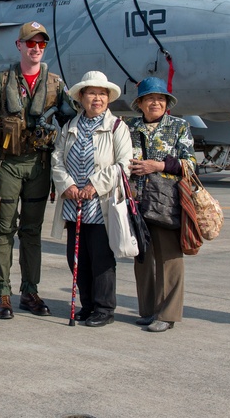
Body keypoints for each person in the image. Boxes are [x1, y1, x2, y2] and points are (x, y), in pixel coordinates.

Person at [0, 21, 68, 320]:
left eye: (41, 44)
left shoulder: (56, 84)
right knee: (3, 231)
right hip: (8, 165)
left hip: (39, 166)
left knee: (31, 232)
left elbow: (70, 122)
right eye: (30, 43)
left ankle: (30, 290)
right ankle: (2, 292)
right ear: (19, 46)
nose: (36, 48)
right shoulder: (1, 81)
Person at [50, 71, 132, 327]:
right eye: (92, 93)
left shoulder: (117, 126)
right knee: (77, 259)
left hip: (101, 205)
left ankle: (104, 308)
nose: (97, 98)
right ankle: (86, 305)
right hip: (74, 204)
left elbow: (124, 165)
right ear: (82, 97)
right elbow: (57, 160)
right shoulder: (69, 127)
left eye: (102, 94)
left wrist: (95, 186)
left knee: (101, 258)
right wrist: (69, 185)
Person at [125, 77, 197, 333]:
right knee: (142, 257)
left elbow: (190, 163)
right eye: (150, 98)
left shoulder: (179, 126)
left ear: (166, 103)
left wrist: (159, 165)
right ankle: (148, 310)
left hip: (167, 201)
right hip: (137, 200)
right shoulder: (129, 127)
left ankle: (168, 313)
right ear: (140, 103)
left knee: (169, 258)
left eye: (160, 98)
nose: (155, 102)